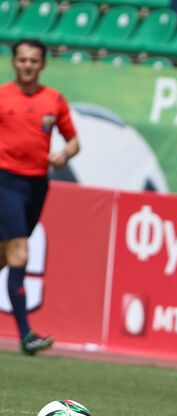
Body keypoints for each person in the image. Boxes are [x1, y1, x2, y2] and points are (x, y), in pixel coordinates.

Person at [0, 39, 79, 356]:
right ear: (14, 63)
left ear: (43, 64)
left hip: (36, 185)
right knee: (19, 253)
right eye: (22, 60)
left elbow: (73, 141)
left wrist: (64, 155)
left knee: (5, 255)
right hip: (4, 179)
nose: (27, 65)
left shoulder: (54, 100)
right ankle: (25, 335)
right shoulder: (3, 95)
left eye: (33, 60)